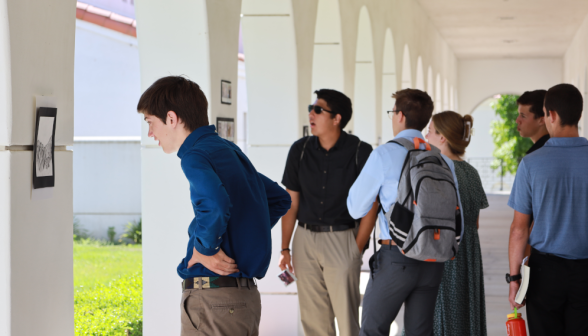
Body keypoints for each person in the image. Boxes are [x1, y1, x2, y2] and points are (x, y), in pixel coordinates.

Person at [137, 76, 291, 336]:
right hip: (241, 301)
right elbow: (279, 199)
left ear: (171, 119)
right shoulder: (225, 149)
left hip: (215, 302)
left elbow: (216, 205)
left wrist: (204, 249)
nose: (150, 133)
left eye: (150, 123)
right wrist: (243, 236)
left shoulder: (194, 156)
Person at [347, 89, 463, 336]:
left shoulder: (385, 153)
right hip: (433, 260)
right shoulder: (443, 160)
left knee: (372, 329)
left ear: (399, 115)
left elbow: (355, 207)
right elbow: (457, 213)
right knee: (420, 333)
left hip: (397, 256)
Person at [279, 89, 375, 336]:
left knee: (347, 319)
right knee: (313, 320)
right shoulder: (299, 150)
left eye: (318, 109)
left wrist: (356, 247)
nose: (311, 113)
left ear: (337, 118)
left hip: (342, 238)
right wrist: (285, 248)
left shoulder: (360, 151)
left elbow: (371, 205)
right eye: (311, 108)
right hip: (305, 239)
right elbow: (291, 202)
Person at [508, 83, 588, 335]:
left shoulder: (531, 163)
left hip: (544, 273)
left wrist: (514, 280)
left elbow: (519, 230)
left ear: (550, 115)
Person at [425, 111, 489, 336]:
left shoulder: (437, 169)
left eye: (430, 131)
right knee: (464, 313)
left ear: (442, 137)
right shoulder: (471, 172)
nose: (426, 134)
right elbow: (475, 222)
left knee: (439, 313)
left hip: (445, 252)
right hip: (469, 253)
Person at [516, 90, 550, 155]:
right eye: (519, 114)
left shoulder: (539, 154)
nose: (517, 120)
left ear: (542, 120)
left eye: (523, 116)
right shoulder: (555, 146)